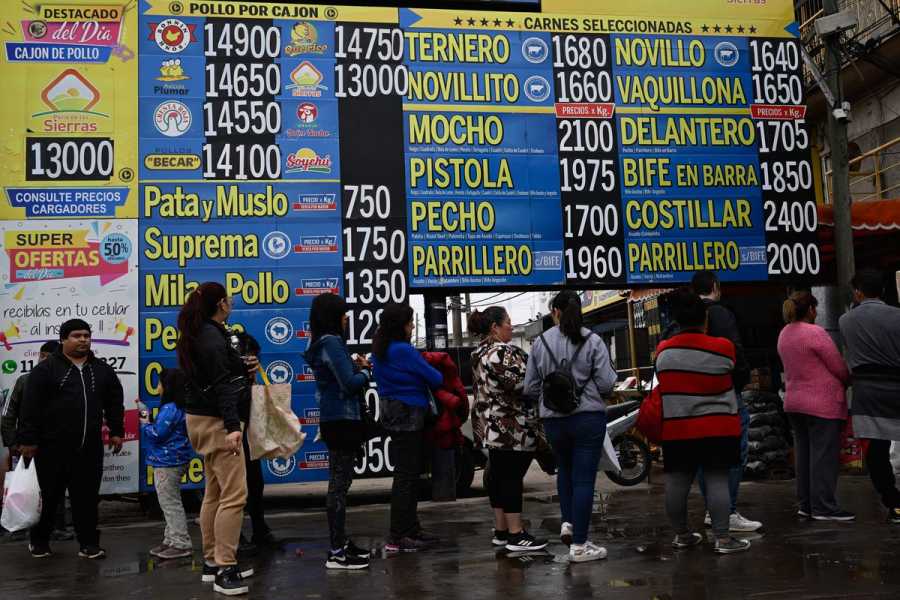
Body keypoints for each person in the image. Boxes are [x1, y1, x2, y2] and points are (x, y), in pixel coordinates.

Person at [17, 320, 124, 559]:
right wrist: (28, 441)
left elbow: (115, 402)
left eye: (86, 335)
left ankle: (88, 545)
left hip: (89, 449)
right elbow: (30, 407)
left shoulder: (101, 370)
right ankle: (39, 541)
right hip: (50, 449)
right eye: (77, 335)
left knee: (86, 499)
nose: (83, 339)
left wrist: (116, 431)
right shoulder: (46, 370)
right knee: (49, 498)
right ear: (63, 339)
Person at [523, 290, 617, 563]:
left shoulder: (540, 342)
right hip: (587, 418)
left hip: (553, 421)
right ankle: (579, 545)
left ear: (555, 312)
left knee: (564, 471)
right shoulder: (594, 341)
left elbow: (530, 387)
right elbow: (607, 384)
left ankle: (568, 523)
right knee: (584, 479)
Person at [176, 282, 257, 596]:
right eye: (229, 299)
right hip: (217, 421)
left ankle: (212, 562)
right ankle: (226, 567)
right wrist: (232, 426)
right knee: (235, 496)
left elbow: (218, 373)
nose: (232, 302)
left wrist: (242, 365)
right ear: (221, 303)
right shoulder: (211, 336)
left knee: (214, 491)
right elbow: (222, 384)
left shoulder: (204, 332)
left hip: (201, 418)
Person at [656, 290, 750, 554]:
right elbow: (739, 374)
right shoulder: (723, 348)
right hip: (718, 427)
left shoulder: (664, 352)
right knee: (717, 480)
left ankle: (682, 535)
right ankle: (722, 539)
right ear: (704, 319)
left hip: (678, 428)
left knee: (677, 483)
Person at [303, 293, 373, 570]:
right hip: (342, 420)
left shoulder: (319, 342)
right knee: (339, 486)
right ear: (333, 316)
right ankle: (336, 551)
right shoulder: (332, 342)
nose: (346, 319)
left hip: (334, 419)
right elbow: (350, 384)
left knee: (340, 484)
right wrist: (367, 371)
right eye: (343, 314)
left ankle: (340, 543)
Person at [469, 306, 547, 552]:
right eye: (508, 322)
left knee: (498, 478)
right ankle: (516, 534)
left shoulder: (478, 353)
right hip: (512, 426)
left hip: (491, 426)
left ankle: (502, 530)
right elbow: (524, 384)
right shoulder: (501, 352)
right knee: (511, 478)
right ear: (495, 327)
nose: (512, 327)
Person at [690, 271, 761, 533]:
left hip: (693, 400)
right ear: (716, 288)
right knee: (733, 453)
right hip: (725, 394)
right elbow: (736, 352)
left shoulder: (685, 317)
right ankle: (727, 510)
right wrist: (738, 382)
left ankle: (713, 509)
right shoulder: (721, 314)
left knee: (703, 456)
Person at [371, 303, 443, 552]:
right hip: (409, 414)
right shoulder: (403, 350)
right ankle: (399, 534)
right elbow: (436, 378)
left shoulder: (382, 348)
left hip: (392, 413)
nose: (412, 327)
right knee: (407, 476)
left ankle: (410, 529)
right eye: (410, 323)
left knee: (407, 474)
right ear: (400, 325)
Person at [777, 291, 854, 521]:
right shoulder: (815, 333)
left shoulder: (784, 333)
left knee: (804, 455)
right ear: (810, 310)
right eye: (815, 308)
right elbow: (838, 366)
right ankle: (824, 507)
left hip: (794, 402)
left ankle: (806, 504)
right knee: (823, 456)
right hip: (821, 404)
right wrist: (848, 379)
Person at [838, 268, 900, 524]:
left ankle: (893, 503)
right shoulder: (897, 316)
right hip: (897, 386)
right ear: (884, 290)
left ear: (858, 292)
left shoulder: (845, 321)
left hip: (866, 391)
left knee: (876, 449)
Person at [143, 368, 195, 559]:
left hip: (168, 462)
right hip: (177, 459)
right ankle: (170, 540)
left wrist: (145, 423)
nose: (157, 387)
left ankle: (181, 543)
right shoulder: (181, 407)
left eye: (159, 383)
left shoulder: (170, 409)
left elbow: (158, 434)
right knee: (169, 501)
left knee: (170, 502)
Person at [233, 331, 275, 550]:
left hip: (247, 433)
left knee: (255, 483)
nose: (250, 361)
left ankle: (259, 528)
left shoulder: (247, 378)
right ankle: (234, 535)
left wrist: (253, 376)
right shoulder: (226, 375)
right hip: (232, 433)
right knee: (233, 488)